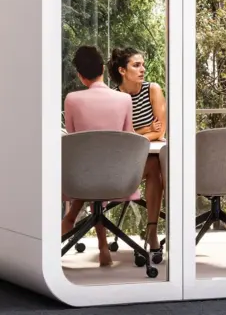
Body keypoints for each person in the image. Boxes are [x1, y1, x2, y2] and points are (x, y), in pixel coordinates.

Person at [61, 45, 134, 267]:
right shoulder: (124, 100)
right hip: (118, 177)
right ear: (103, 68)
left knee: (90, 173)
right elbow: (129, 138)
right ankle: (103, 246)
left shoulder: (72, 99)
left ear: (80, 76)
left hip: (82, 177)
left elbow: (74, 140)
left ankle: (70, 222)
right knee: (99, 176)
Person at [108, 47, 166, 256]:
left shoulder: (153, 89)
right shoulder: (113, 97)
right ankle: (151, 230)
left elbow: (161, 131)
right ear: (123, 71)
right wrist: (148, 130)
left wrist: (138, 133)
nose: (143, 69)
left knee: (156, 166)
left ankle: (152, 230)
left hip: (150, 157)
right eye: (136, 65)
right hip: (123, 161)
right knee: (153, 166)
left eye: (142, 64)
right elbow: (120, 136)